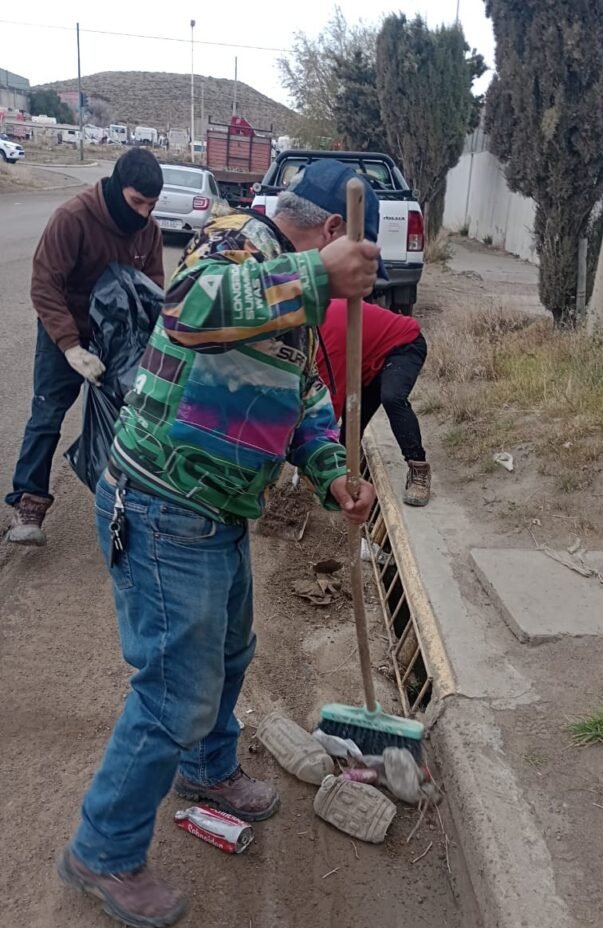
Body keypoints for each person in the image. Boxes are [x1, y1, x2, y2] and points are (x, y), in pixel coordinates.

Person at [57, 160, 380, 928]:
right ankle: (100, 850)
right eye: (355, 259)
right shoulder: (240, 241)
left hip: (217, 509)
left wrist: (333, 472)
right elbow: (190, 307)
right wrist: (313, 274)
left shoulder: (293, 299)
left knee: (229, 655)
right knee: (174, 689)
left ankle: (206, 770)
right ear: (334, 232)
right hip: (166, 503)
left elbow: (302, 396)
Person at [5, 148, 164, 546]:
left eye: (151, 205)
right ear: (115, 189)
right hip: (65, 333)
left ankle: (124, 499)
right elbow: (44, 286)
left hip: (117, 340)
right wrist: (71, 347)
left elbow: (152, 291)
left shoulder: (150, 231)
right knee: (47, 413)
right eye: (137, 202)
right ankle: (29, 502)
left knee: (128, 417)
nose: (143, 213)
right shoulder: (73, 218)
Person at [317, 299, 431, 506]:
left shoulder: (326, 335)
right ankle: (348, 472)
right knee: (352, 421)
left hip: (403, 345)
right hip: (370, 359)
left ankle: (418, 470)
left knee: (392, 397)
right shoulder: (312, 324)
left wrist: (314, 443)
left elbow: (329, 399)